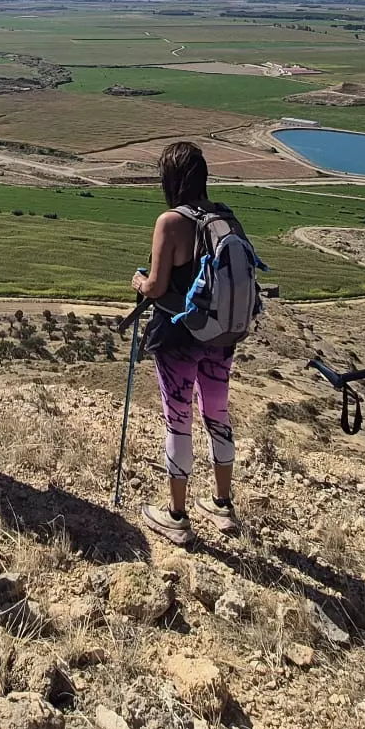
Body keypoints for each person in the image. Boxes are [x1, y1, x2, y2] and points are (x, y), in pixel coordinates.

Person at [129, 140, 239, 545]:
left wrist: (140, 282)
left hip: (178, 337)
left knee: (178, 419)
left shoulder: (170, 223)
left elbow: (157, 287)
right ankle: (222, 505)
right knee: (217, 412)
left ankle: (177, 515)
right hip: (221, 335)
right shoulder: (225, 218)